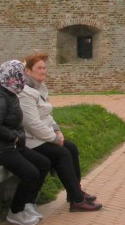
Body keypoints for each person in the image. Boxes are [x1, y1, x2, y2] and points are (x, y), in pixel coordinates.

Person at [19, 52, 102, 213]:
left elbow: (47, 115)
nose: (43, 71)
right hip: (30, 140)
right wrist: (53, 138)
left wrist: (57, 130)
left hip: (40, 136)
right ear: (28, 71)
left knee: (71, 148)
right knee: (62, 153)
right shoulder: (24, 92)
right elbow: (32, 123)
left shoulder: (40, 87)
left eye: (44, 67)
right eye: (39, 68)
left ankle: (75, 193)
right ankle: (77, 201)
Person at [0, 60, 51, 225]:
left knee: (43, 163)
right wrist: (14, 137)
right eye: (21, 73)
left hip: (9, 145)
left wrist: (16, 137)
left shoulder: (10, 93)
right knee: (30, 172)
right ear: (12, 75)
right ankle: (16, 212)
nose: (23, 77)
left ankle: (27, 204)